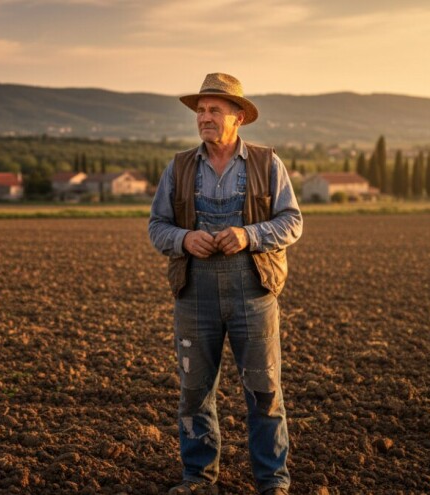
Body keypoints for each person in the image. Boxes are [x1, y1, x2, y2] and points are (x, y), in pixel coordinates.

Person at [148, 73, 302, 495]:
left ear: (238, 117)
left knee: (264, 392)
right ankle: (199, 479)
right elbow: (156, 226)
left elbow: (293, 222)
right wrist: (184, 239)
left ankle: (273, 483)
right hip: (194, 293)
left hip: (252, 290)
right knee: (194, 392)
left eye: (214, 110)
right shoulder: (179, 167)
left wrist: (247, 235)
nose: (204, 117)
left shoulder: (267, 163)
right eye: (200, 110)